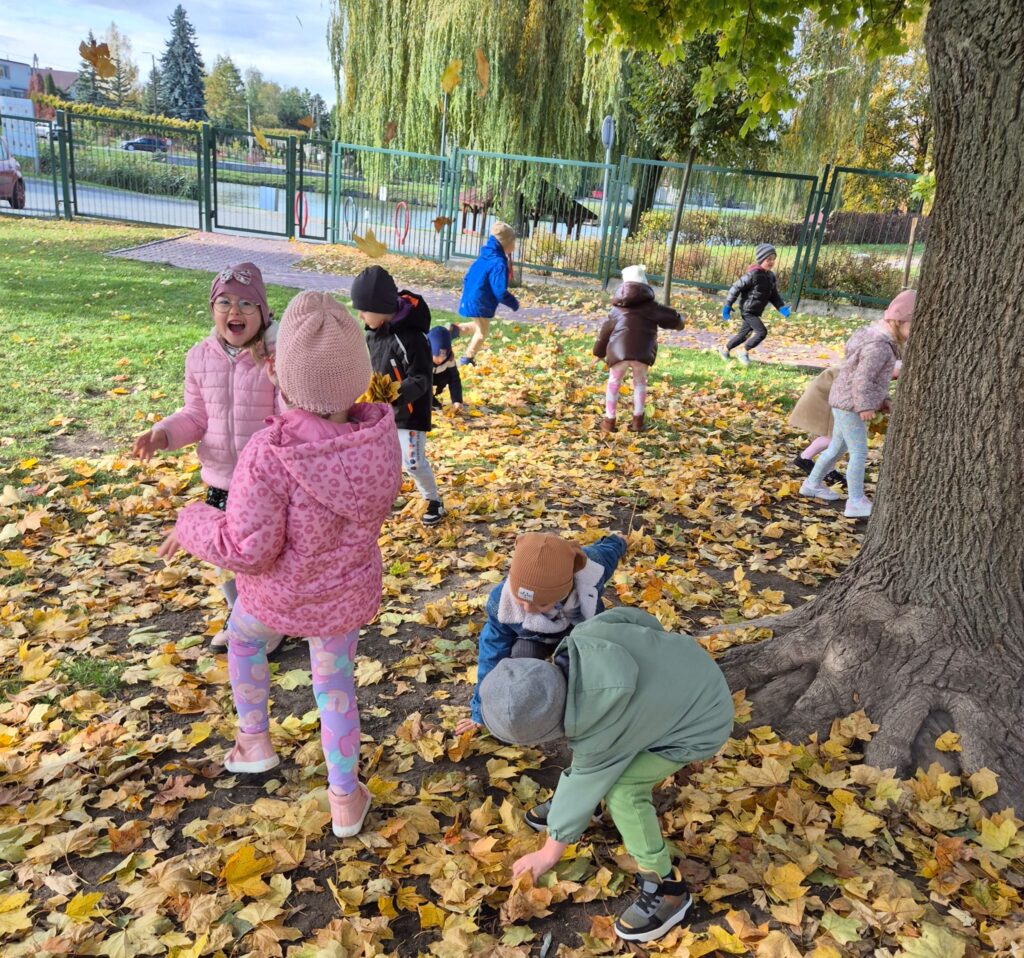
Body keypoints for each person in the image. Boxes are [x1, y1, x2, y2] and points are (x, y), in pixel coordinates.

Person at [157, 290, 401, 839]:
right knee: (334, 687)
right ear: (358, 377)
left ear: (279, 374)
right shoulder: (378, 439)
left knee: (243, 640)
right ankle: (344, 799)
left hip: (276, 595)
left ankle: (254, 741)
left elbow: (246, 548)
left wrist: (191, 521)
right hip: (341, 597)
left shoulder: (270, 453)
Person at [481, 607, 733, 944]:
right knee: (607, 756)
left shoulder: (598, 735)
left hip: (701, 724)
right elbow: (639, 619)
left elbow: (586, 773)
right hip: (691, 667)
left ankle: (667, 888)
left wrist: (548, 854)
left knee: (624, 790)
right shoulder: (582, 639)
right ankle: (590, 807)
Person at [133, 262, 281, 650]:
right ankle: (241, 617)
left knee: (259, 557)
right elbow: (195, 416)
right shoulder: (199, 357)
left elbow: (287, 418)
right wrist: (163, 433)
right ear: (212, 308)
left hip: (263, 482)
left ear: (263, 312)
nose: (235, 311)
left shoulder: (274, 358)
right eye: (225, 302)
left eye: (248, 303)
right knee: (224, 558)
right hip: (220, 478)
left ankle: (267, 624)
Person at [454, 530, 627, 735]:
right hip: (531, 638)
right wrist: (480, 711)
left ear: (565, 588)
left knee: (578, 670)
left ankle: (574, 712)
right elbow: (491, 654)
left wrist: (618, 541)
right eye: (521, 600)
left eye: (541, 603)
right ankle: (531, 710)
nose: (527, 609)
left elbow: (607, 551)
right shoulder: (500, 602)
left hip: (577, 635)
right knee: (520, 662)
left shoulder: (591, 569)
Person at [800, 289, 916, 518]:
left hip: (844, 401)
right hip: (851, 405)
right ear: (899, 320)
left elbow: (876, 379)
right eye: (913, 325)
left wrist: (883, 399)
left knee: (837, 448)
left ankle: (811, 485)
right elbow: (863, 378)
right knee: (859, 452)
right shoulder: (879, 347)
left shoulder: (877, 339)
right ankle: (855, 501)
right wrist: (865, 406)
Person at [350, 265, 446, 526]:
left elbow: (422, 378)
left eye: (363, 310)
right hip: (381, 413)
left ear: (380, 307)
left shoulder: (413, 338)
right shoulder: (373, 333)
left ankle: (433, 499)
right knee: (380, 458)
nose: (360, 316)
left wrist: (394, 392)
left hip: (409, 414)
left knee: (412, 462)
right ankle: (383, 496)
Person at [593, 264, 684, 433]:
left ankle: (609, 421)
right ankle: (637, 422)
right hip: (642, 354)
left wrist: (598, 352)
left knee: (614, 383)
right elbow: (671, 318)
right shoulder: (652, 307)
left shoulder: (616, 309)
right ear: (645, 284)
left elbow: (605, 331)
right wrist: (680, 322)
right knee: (640, 383)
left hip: (618, 353)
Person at [452, 221, 520, 366]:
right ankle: (467, 359)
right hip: (481, 301)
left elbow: (468, 276)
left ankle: (453, 331)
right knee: (482, 333)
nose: (515, 245)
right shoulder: (499, 263)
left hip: (472, 296)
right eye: (514, 241)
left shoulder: (485, 257)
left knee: (478, 326)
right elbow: (499, 291)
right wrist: (513, 302)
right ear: (506, 243)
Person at [718, 243, 791, 365]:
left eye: (773, 259)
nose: (772, 262)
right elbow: (735, 287)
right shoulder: (753, 274)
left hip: (756, 311)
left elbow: (773, 295)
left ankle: (724, 350)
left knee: (743, 335)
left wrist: (781, 307)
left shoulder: (771, 276)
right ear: (761, 259)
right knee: (761, 332)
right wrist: (728, 305)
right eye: (769, 259)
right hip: (748, 310)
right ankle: (743, 352)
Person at [427, 326, 464, 412]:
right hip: (424, 378)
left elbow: (455, 379)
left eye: (443, 357)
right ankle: (429, 401)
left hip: (438, 377)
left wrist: (457, 400)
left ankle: (434, 398)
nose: (440, 360)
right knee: (422, 380)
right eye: (436, 356)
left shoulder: (449, 359)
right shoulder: (422, 356)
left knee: (450, 375)